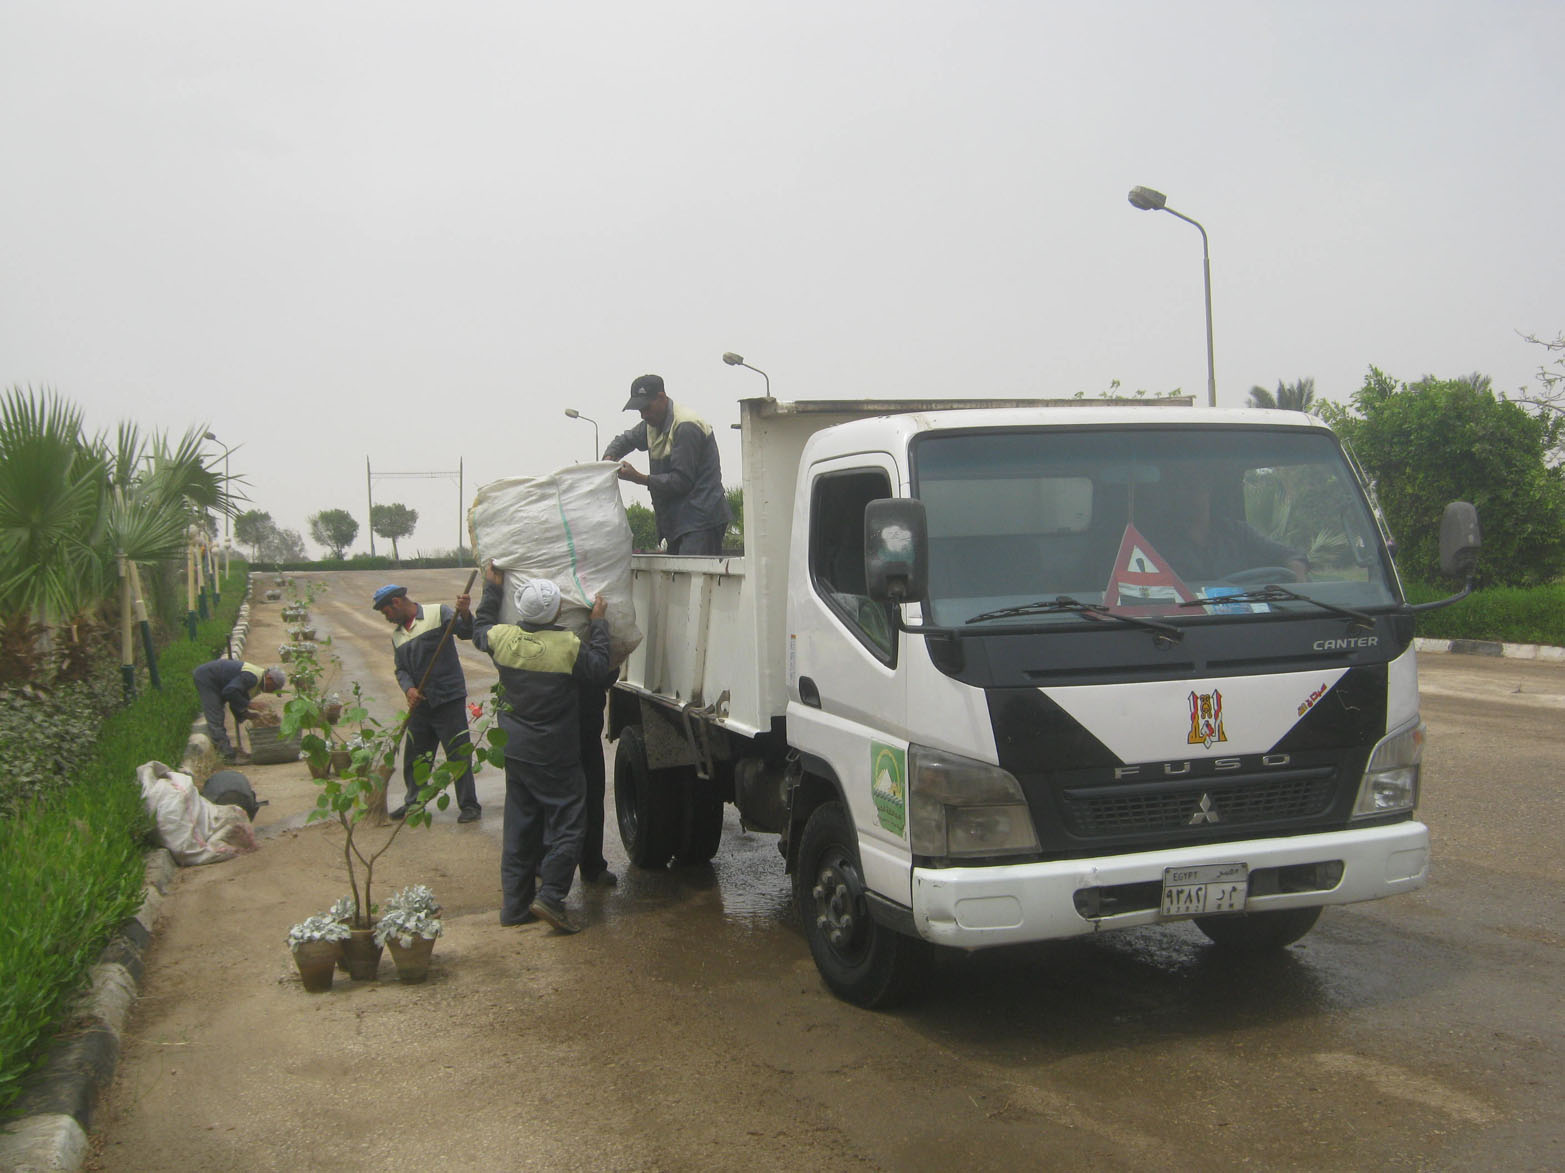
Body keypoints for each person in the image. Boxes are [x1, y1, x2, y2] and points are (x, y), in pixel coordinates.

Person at [472, 565, 615, 933]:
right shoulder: (567, 646)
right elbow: (601, 669)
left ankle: (514, 907)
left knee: (520, 828)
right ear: (557, 611)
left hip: (516, 751)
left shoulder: (502, 638)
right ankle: (551, 897)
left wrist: (492, 588)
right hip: (556, 752)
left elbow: (479, 628)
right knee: (569, 823)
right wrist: (598, 623)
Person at [372, 583, 482, 823]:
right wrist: (408, 688)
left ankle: (469, 805)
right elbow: (401, 670)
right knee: (415, 756)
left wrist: (464, 612)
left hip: (448, 699)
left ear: (396, 603)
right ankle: (414, 803)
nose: (386, 617)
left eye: (386, 612)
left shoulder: (438, 613)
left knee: (458, 753)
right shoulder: (398, 636)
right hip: (420, 705)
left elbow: (466, 631)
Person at [603, 373, 732, 555]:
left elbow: (681, 481)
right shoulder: (651, 424)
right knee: (678, 572)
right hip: (678, 522)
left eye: (646, 408)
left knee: (692, 572)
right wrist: (610, 457)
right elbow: (626, 440)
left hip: (701, 520)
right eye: (640, 410)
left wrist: (639, 478)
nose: (643, 415)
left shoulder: (686, 426)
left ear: (661, 397)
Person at [1145, 467, 1310, 583]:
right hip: (1185, 618)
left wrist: (1298, 579)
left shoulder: (1239, 533)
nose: (1183, 494)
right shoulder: (1155, 542)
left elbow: (1292, 556)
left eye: (1192, 487)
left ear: (1209, 491)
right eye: (1177, 489)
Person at [192, 659, 285, 764]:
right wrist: (249, 704)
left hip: (217, 681)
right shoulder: (252, 678)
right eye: (273, 688)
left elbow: (235, 699)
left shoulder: (257, 681)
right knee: (216, 718)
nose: (272, 692)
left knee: (218, 714)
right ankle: (227, 757)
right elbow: (229, 692)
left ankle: (228, 752)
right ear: (269, 678)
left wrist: (249, 715)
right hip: (207, 678)